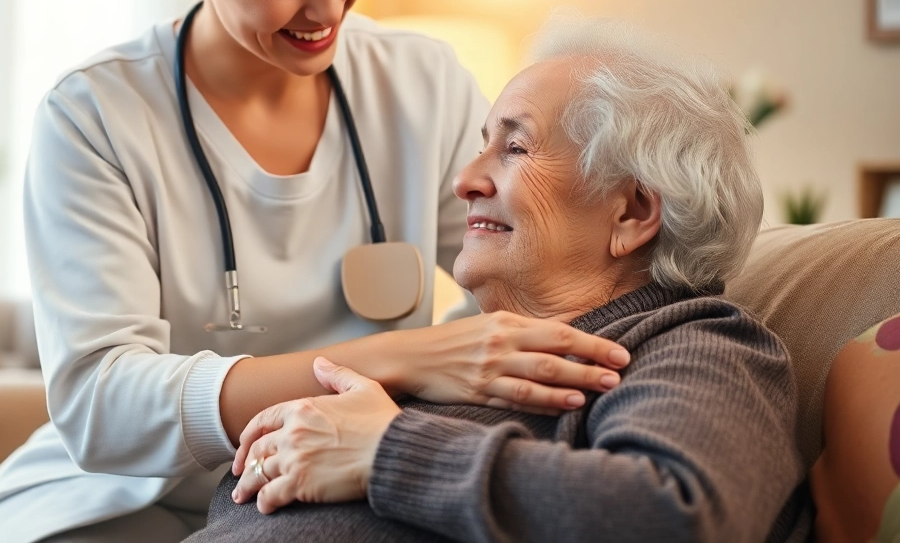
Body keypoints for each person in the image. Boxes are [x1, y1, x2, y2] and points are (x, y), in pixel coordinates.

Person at [0, 0, 635, 542]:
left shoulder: (420, 82)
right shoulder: (95, 116)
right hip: (122, 500)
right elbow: (101, 403)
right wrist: (399, 358)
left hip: (331, 482)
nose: (329, 6)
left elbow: (521, 273)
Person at [195, 27, 814, 542]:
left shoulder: (696, 342)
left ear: (631, 212)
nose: (465, 180)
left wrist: (388, 450)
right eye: (480, 147)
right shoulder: (463, 355)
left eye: (514, 148)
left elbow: (680, 518)